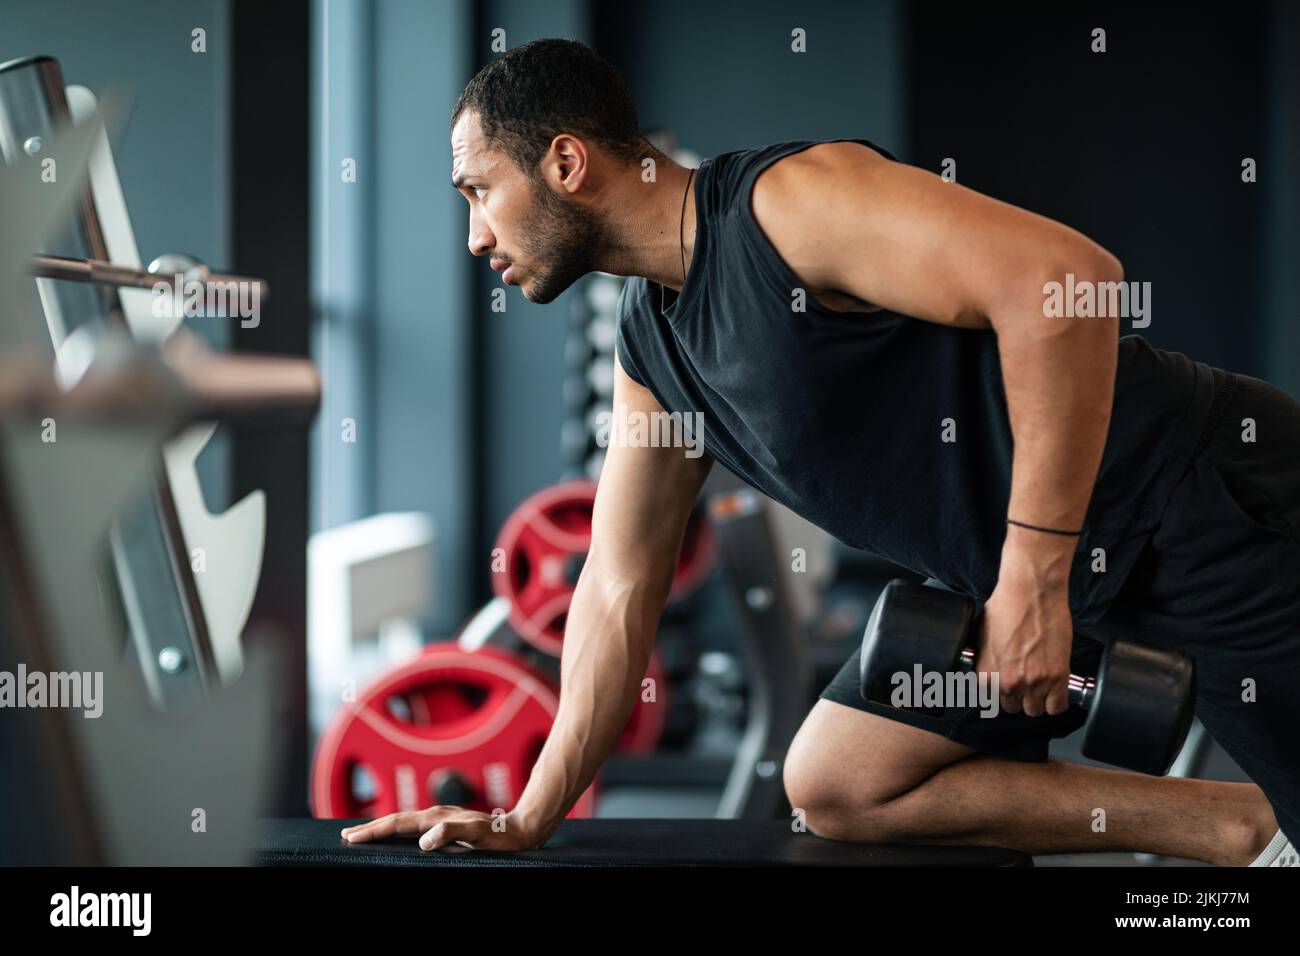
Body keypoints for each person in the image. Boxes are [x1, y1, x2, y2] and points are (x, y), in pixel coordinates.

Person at [342, 38, 1300, 866]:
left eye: (479, 191)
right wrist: (528, 813)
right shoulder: (655, 347)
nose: (474, 236)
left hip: (1204, 499)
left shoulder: (784, 206)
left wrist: (1031, 586)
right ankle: (1238, 830)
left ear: (564, 162)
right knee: (843, 783)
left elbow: (1065, 283)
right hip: (1055, 572)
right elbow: (618, 584)